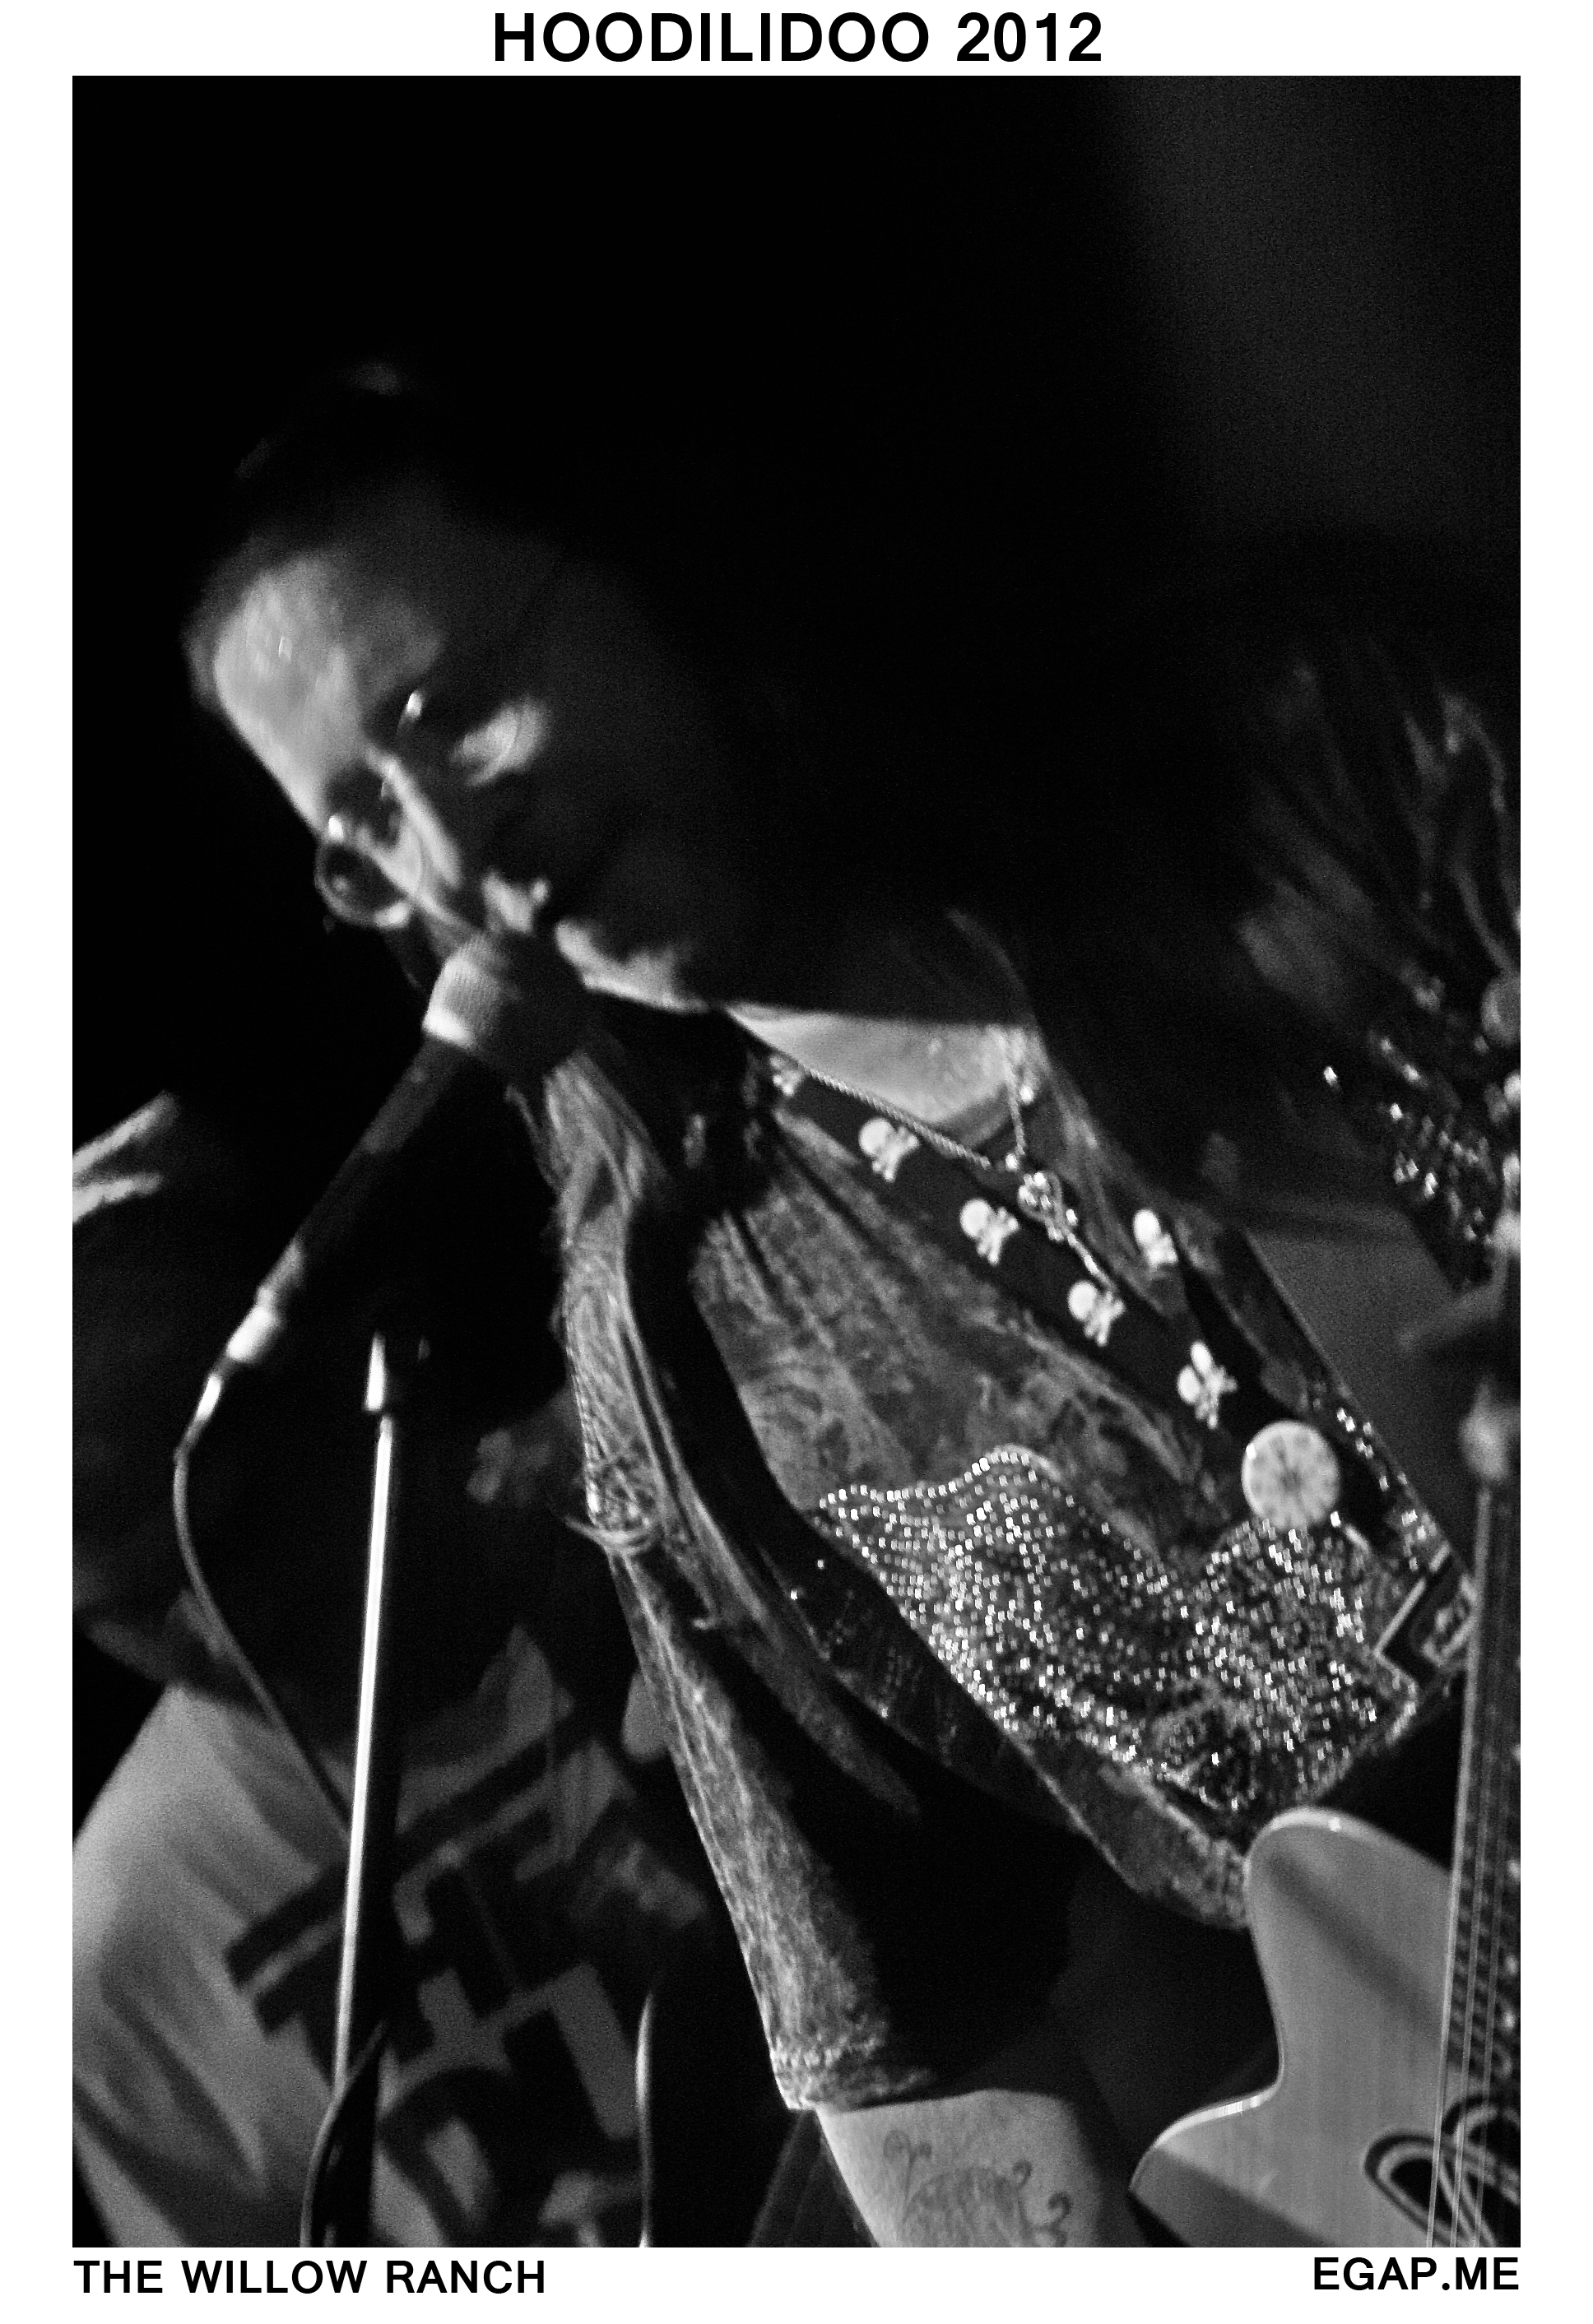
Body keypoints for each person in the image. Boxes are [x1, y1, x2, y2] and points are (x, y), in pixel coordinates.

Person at [178, 374, 1518, 2246]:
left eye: (440, 711)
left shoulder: (1316, 749)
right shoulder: (675, 1347)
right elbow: (917, 2050)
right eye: (361, 825)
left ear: (654, 565)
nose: (448, 854)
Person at [73, 1087, 791, 2247]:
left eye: (235, 1523)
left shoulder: (653, 1542)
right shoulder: (113, 1964)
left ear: (353, 1368)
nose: (216, 1617)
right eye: (137, 1603)